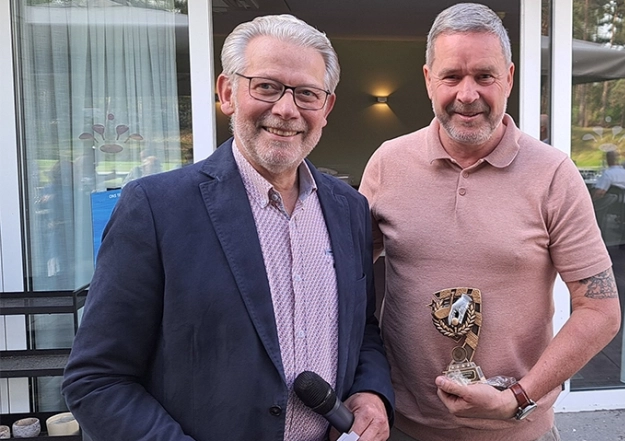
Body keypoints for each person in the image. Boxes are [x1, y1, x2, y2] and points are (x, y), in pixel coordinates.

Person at [62, 14, 394, 441]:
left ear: (326, 108)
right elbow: (97, 379)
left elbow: (363, 331)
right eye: (266, 86)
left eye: (307, 93)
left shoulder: (349, 208)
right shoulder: (155, 209)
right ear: (227, 93)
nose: (287, 109)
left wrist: (371, 393)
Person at [359, 4, 621, 441]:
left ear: (509, 78)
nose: (467, 94)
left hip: (518, 431)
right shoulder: (388, 163)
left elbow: (601, 310)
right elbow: (346, 283)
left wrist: (518, 397)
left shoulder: (553, 174)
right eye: (451, 76)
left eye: (484, 76)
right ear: (428, 80)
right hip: (402, 425)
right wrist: (363, 386)